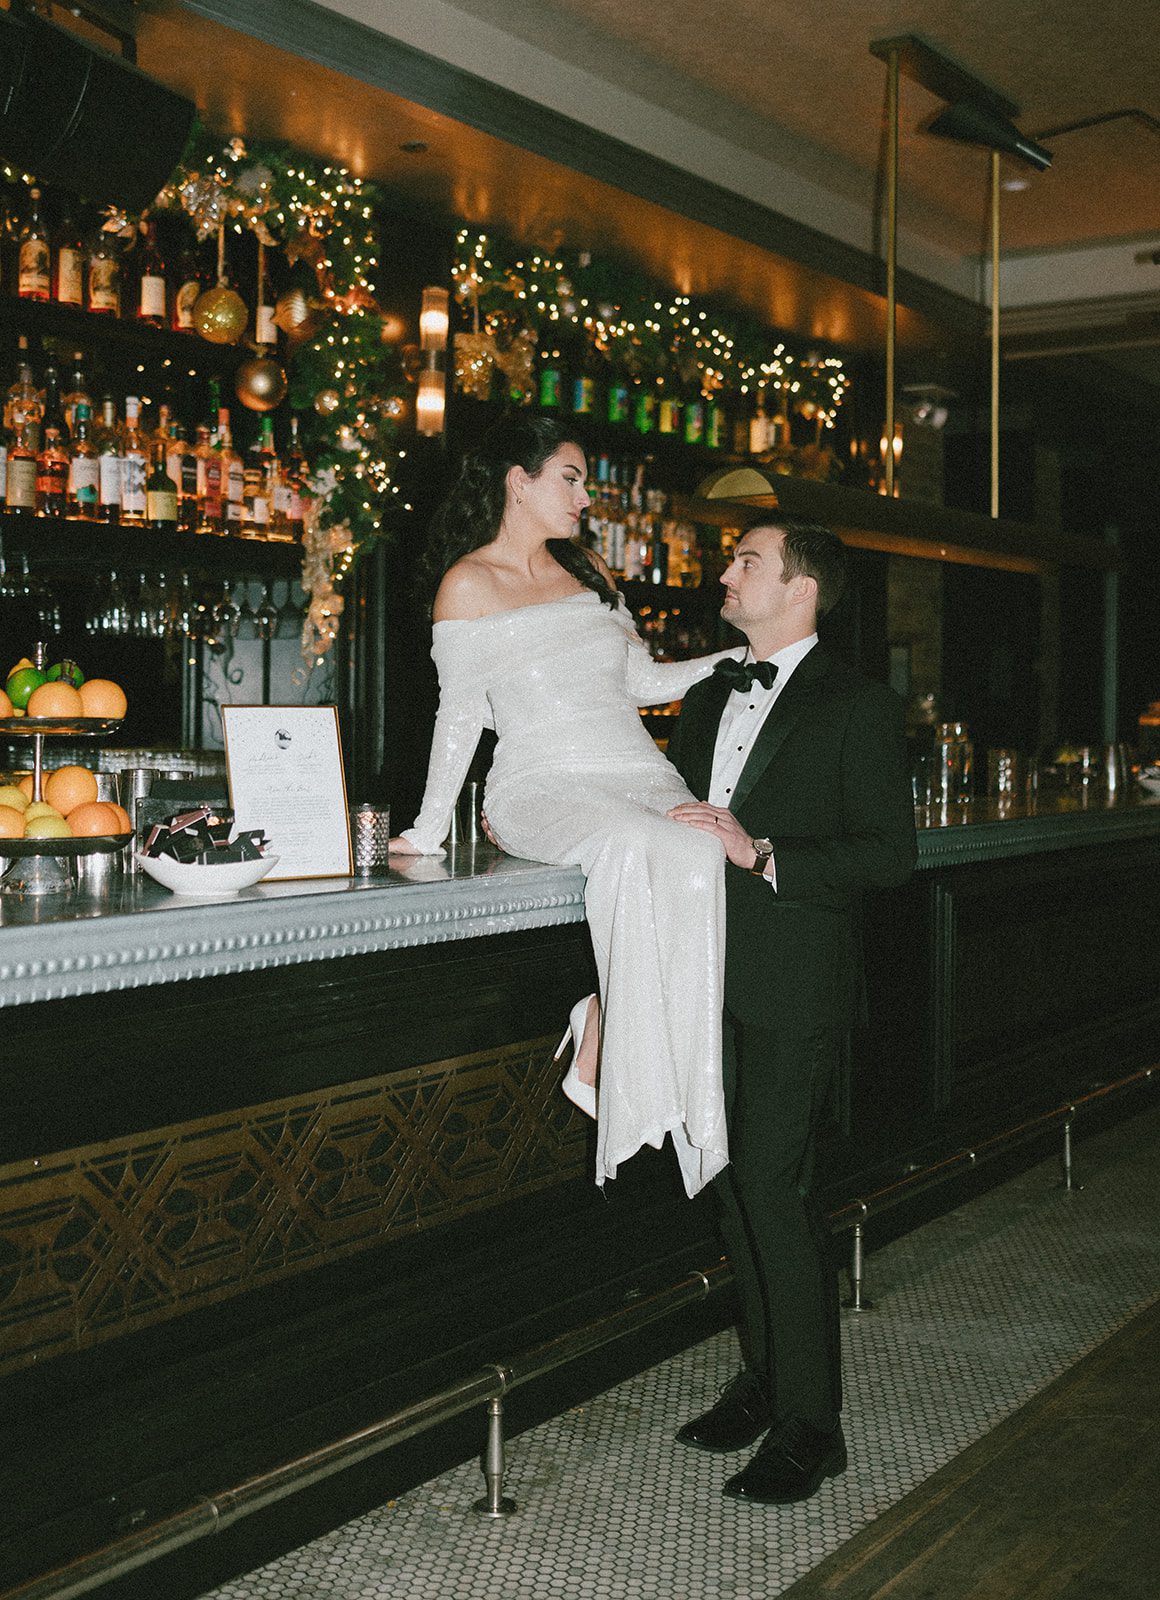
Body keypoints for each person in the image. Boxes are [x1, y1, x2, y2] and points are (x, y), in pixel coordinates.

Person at [388, 415, 744, 1198]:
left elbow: (643, 684)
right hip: (543, 784)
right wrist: (426, 826)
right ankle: (623, 1058)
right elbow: (460, 716)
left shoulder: (590, 575)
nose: (587, 496)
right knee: (628, 844)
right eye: (572, 478)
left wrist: (736, 658)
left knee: (700, 848)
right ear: (520, 481)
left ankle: (607, 1019)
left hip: (636, 771)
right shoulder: (468, 583)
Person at [666, 520, 916, 1505]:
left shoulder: (855, 705)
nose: (723, 572)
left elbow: (887, 856)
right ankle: (766, 1379)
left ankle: (812, 1425)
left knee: (772, 1187)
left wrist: (762, 852)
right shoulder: (702, 695)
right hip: (698, 974)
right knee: (726, 1186)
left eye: (745, 562)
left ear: (801, 589)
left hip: (793, 981)